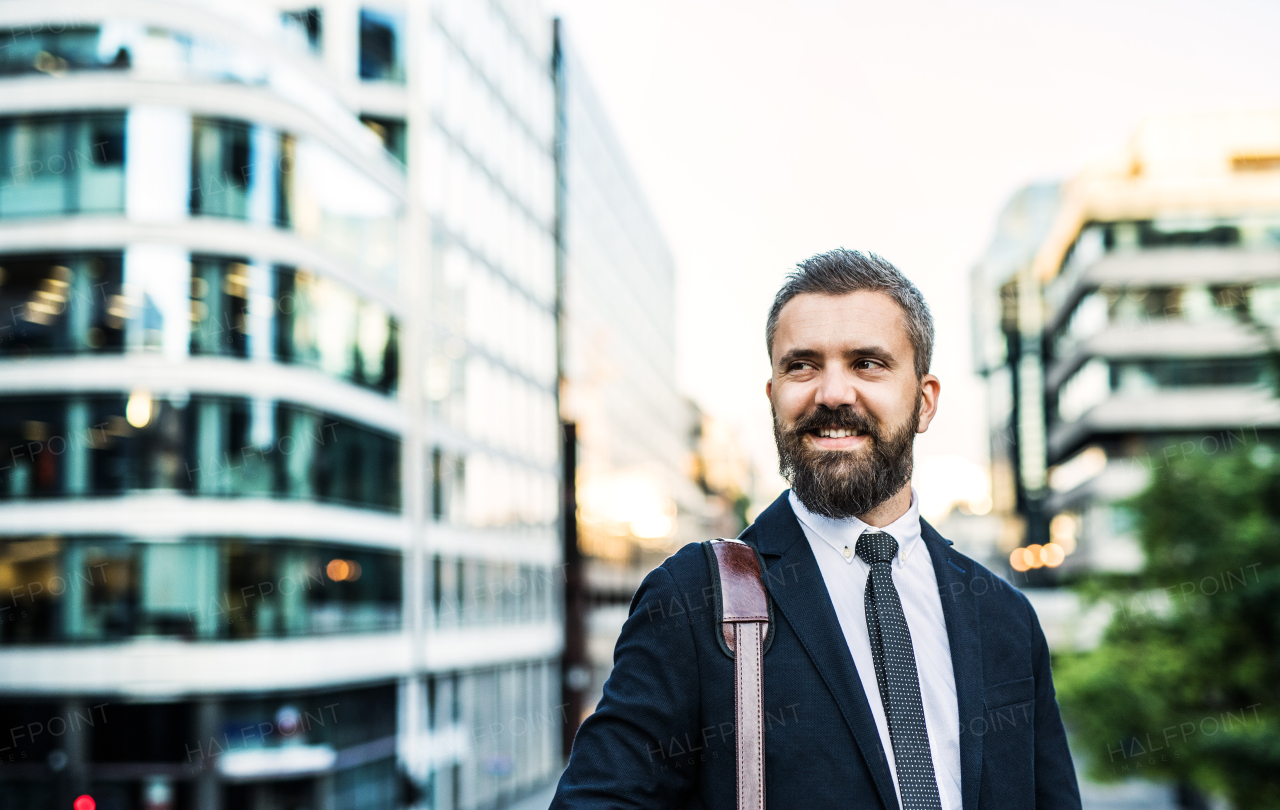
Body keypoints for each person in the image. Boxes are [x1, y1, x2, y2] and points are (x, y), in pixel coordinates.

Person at [551, 249, 1081, 809]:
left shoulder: (1004, 615)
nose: (831, 394)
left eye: (867, 364)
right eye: (801, 365)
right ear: (773, 397)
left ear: (924, 403)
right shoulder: (694, 599)